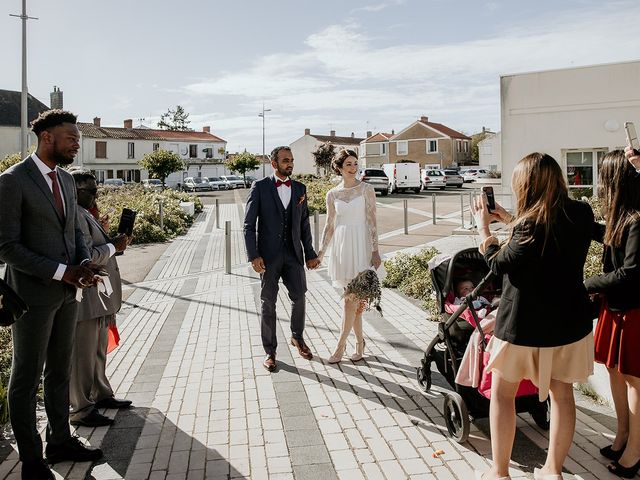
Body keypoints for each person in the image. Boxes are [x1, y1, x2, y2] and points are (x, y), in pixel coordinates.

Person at [472, 153, 595, 480]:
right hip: (569, 324)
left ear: (525, 184)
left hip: (523, 326)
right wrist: (510, 219)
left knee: (502, 394)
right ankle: (553, 471)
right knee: (563, 394)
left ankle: (500, 473)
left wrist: (485, 230)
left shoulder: (528, 225)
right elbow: (546, 236)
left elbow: (498, 264)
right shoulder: (581, 213)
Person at [0, 110, 103, 479]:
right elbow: (6, 247)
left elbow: (74, 230)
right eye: (71, 137)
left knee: (61, 370)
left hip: (67, 294)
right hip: (31, 297)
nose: (78, 142)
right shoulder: (12, 181)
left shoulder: (66, 179)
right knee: (26, 378)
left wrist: (85, 264)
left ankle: (60, 441)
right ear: (47, 138)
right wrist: (63, 272)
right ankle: (31, 460)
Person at [584, 150, 640, 478]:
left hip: (634, 311)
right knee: (615, 373)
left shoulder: (636, 221)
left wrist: (587, 284)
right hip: (616, 308)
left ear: (615, 181)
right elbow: (605, 234)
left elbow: (631, 272)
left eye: (603, 178)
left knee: (634, 380)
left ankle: (635, 451)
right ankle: (622, 436)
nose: (600, 186)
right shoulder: (623, 218)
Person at [243, 146, 320, 372]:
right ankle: (270, 351)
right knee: (268, 303)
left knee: (300, 296)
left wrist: (310, 254)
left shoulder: (299, 189)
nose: (290, 164)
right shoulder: (260, 187)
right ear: (274, 163)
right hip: (268, 256)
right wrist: (253, 255)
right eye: (286, 160)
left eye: (292, 160)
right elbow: (249, 225)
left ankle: (297, 337)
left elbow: (304, 224)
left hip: (293, 254)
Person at [69, 169, 132, 428]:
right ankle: (81, 408)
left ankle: (101, 394)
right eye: (91, 191)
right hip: (87, 294)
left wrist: (108, 238)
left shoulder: (86, 214)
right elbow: (85, 257)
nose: (97, 194)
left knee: (97, 350)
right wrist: (111, 246)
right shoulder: (74, 215)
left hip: (101, 295)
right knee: (82, 354)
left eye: (97, 189)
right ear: (75, 191)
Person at [317, 149, 381, 363]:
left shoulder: (366, 189)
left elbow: (372, 221)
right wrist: (321, 252)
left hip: (361, 245)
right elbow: (329, 225)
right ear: (340, 168)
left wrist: (375, 250)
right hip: (342, 248)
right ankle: (359, 343)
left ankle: (340, 346)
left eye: (355, 164)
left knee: (349, 301)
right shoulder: (332, 194)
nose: (353, 168)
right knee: (352, 303)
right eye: (349, 165)